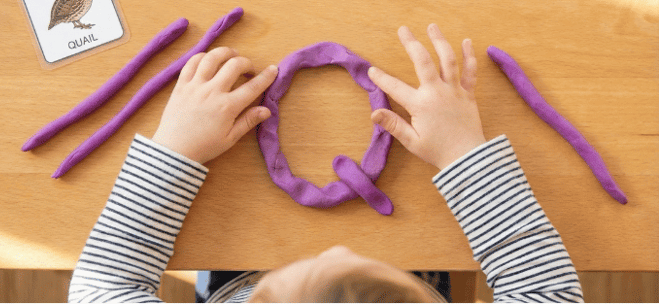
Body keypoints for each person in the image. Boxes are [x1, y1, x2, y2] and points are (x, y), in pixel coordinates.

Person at [68, 24, 584, 303]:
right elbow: (543, 288)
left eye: (317, 262)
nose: (336, 243)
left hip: (232, 268)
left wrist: (176, 149)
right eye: (347, 259)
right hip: (418, 258)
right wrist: (462, 153)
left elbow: (101, 287)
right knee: (418, 253)